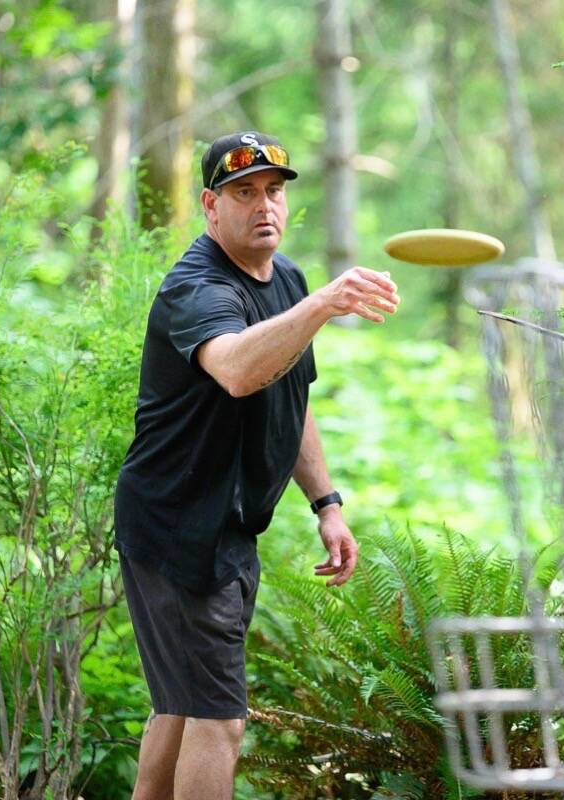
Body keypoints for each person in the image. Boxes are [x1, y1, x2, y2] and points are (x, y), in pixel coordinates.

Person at [113, 130, 400, 800]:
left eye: (273, 190)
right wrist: (325, 304)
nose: (264, 205)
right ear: (212, 206)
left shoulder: (289, 281)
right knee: (220, 719)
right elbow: (240, 369)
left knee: (182, 704)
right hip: (179, 528)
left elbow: (288, 399)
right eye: (244, 193)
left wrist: (327, 504)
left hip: (226, 526)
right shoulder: (197, 288)